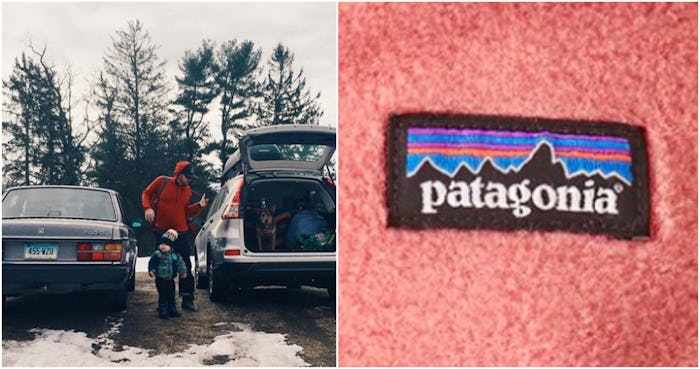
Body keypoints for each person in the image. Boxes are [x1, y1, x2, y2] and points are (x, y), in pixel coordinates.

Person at [142, 161, 208, 312]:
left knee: (185, 266)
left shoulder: (188, 191)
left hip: (181, 233)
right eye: (188, 177)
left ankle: (188, 299)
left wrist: (199, 206)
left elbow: (185, 211)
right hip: (162, 233)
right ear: (179, 174)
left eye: (191, 178)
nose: (190, 180)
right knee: (162, 267)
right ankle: (164, 301)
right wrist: (148, 208)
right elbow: (146, 193)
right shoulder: (162, 182)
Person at [148, 229, 188, 320]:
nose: (163, 246)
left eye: (166, 244)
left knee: (171, 295)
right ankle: (163, 311)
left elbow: (180, 263)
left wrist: (183, 272)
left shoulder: (175, 255)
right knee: (163, 295)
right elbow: (152, 263)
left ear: (171, 247)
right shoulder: (157, 254)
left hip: (170, 280)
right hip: (160, 279)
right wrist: (152, 270)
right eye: (161, 244)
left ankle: (172, 310)